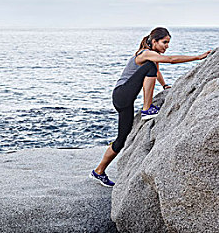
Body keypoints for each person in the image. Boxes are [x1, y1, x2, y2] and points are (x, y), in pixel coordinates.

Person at [90, 27, 211, 187]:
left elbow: (157, 72)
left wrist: (165, 85)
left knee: (122, 139)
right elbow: (171, 60)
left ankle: (99, 171)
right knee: (151, 67)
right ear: (154, 41)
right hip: (122, 94)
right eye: (164, 42)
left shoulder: (151, 57)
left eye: (168, 43)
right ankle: (147, 108)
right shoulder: (144, 54)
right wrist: (197, 57)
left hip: (124, 99)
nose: (167, 46)